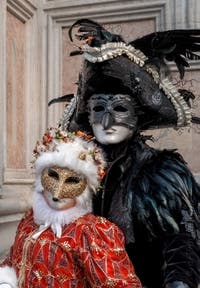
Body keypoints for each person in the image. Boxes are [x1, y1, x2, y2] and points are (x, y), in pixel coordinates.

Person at [51, 19, 200, 288]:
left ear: (137, 116)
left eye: (119, 108)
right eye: (98, 109)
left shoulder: (162, 173)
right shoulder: (74, 171)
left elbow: (182, 244)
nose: (107, 122)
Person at [0, 127, 142, 288]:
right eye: (52, 176)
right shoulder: (30, 221)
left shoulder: (91, 231)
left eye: (72, 181)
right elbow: (13, 261)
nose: (58, 192)